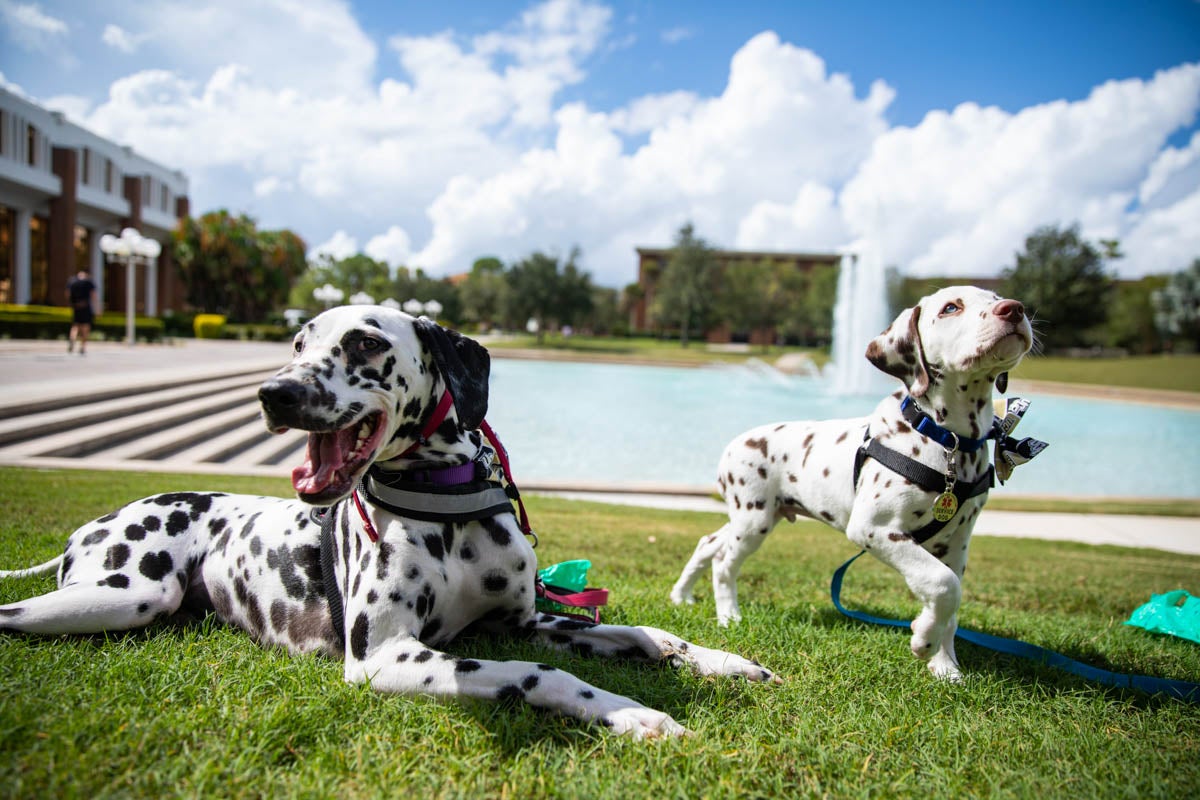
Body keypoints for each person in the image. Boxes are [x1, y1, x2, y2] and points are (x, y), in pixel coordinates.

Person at [67, 270, 97, 355]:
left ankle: (72, 339)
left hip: (76, 307)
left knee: (75, 326)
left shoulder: (72, 281)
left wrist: (72, 303)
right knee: (85, 327)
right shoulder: (88, 282)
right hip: (86, 307)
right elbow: (93, 295)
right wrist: (97, 307)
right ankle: (82, 347)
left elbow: (67, 294)